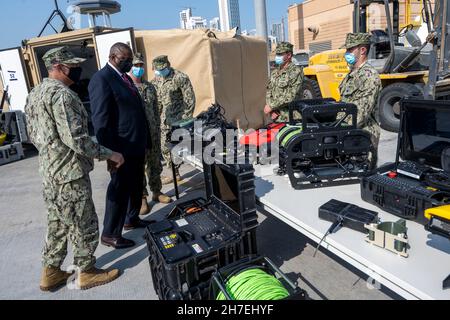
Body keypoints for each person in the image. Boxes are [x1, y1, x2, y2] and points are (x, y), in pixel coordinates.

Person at [25, 46, 124, 291]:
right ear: (58, 66)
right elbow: (77, 140)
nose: (78, 70)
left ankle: (51, 272)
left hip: (50, 171)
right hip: (69, 173)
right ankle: (86, 272)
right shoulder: (62, 96)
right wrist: (110, 153)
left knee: (57, 223)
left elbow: (34, 136)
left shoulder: (35, 93)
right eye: (73, 65)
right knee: (84, 223)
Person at [89, 43, 150, 249]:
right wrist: (110, 153)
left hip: (135, 145)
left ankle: (131, 219)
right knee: (119, 189)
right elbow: (101, 121)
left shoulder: (124, 79)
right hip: (120, 149)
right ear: (113, 57)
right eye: (126, 59)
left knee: (135, 185)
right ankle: (110, 233)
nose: (130, 63)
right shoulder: (102, 79)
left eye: (130, 59)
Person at [128, 53, 172, 215]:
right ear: (130, 67)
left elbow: (155, 108)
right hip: (137, 135)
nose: (139, 68)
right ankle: (142, 197)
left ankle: (157, 191)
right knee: (139, 167)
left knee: (154, 163)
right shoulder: (127, 87)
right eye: (136, 65)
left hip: (153, 133)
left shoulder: (149, 87)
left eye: (141, 65)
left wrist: (157, 127)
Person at [339, 33, 382, 168]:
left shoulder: (369, 76)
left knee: (362, 180)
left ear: (362, 50)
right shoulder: (352, 74)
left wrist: (337, 131)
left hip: (363, 137)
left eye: (350, 49)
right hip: (349, 135)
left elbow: (360, 114)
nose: (347, 53)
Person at [151, 55, 196, 184]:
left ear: (168, 65)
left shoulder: (180, 77)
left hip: (179, 121)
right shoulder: (155, 81)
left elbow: (189, 99)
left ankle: (202, 171)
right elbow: (157, 103)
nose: (160, 71)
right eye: (158, 69)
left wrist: (186, 120)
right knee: (165, 148)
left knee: (185, 148)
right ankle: (175, 173)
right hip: (164, 121)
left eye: (163, 68)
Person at [264, 42, 304, 122]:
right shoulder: (275, 72)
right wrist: (272, 109)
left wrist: (272, 106)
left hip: (291, 117)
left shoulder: (296, 71)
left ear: (289, 55)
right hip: (276, 116)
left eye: (280, 54)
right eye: (277, 54)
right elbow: (269, 90)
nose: (277, 57)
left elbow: (291, 96)